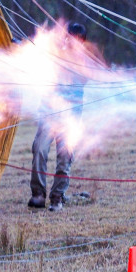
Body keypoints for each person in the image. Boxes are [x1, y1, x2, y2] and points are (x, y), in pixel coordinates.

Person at [28, 22, 88, 212]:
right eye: (69, 38)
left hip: (70, 118)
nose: (71, 42)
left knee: (64, 158)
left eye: (76, 39)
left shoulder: (83, 62)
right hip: (49, 114)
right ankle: (38, 194)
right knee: (40, 150)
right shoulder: (54, 55)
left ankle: (57, 197)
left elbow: (84, 76)